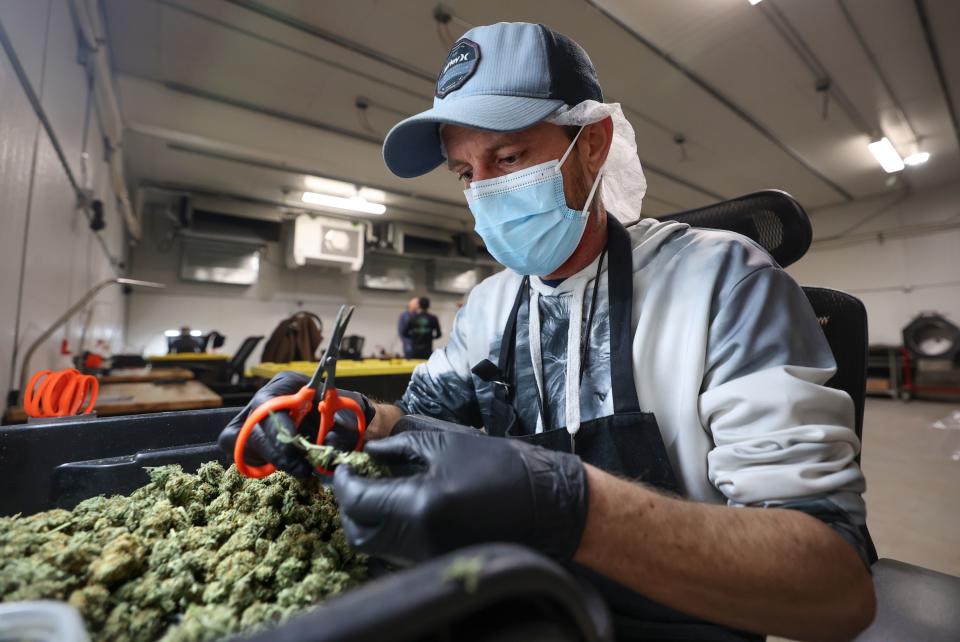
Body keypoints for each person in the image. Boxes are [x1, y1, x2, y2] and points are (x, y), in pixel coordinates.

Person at [220, 22, 875, 640]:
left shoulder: (724, 285)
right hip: (524, 610)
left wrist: (570, 505)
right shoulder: (488, 308)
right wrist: (347, 414)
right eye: (467, 173)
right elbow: (417, 422)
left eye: (508, 156)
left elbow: (832, 583)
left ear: (591, 144)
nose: (485, 192)